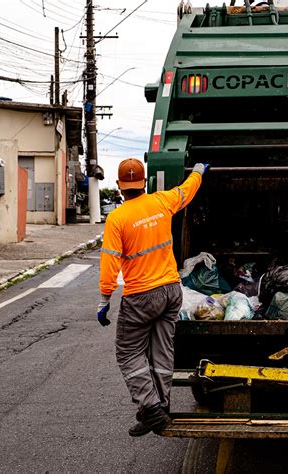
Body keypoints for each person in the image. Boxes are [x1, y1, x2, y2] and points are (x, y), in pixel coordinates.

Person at [96, 158, 208, 437]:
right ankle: (162, 406)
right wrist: (198, 171)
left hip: (141, 296)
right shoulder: (161, 201)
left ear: (120, 187)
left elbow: (110, 263)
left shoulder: (117, 218)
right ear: (143, 183)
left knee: (129, 352)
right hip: (171, 291)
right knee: (162, 350)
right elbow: (186, 190)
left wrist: (104, 299)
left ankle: (150, 409)